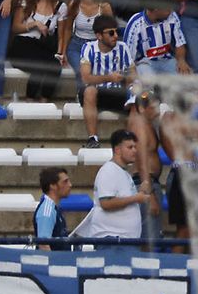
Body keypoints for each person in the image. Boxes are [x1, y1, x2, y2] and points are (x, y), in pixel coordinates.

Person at [79, 128, 157, 240]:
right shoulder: (109, 170)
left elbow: (125, 198)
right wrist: (136, 198)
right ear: (117, 150)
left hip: (123, 240)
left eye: (135, 147)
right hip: (112, 239)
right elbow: (106, 203)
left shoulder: (123, 173)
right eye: (130, 147)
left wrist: (141, 192)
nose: (134, 150)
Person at [9, 0, 66, 101]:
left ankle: (45, 98)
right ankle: (30, 98)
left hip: (43, 46)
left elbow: (62, 35)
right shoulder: (27, 0)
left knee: (55, 67)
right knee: (38, 67)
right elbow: (15, 27)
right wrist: (34, 24)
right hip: (22, 45)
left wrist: (60, 53)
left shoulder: (60, 7)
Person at [80, 13, 135, 147]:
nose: (115, 35)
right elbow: (85, 77)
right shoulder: (88, 48)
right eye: (111, 33)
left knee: (137, 94)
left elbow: (133, 74)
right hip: (98, 93)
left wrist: (128, 81)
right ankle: (93, 138)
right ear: (99, 35)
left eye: (116, 31)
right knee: (89, 91)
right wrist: (109, 77)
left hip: (117, 92)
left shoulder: (123, 47)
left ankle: (130, 140)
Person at [33, 166, 72, 247]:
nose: (70, 185)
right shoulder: (47, 210)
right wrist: (52, 259)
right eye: (65, 182)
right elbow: (43, 244)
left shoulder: (54, 208)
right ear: (52, 186)